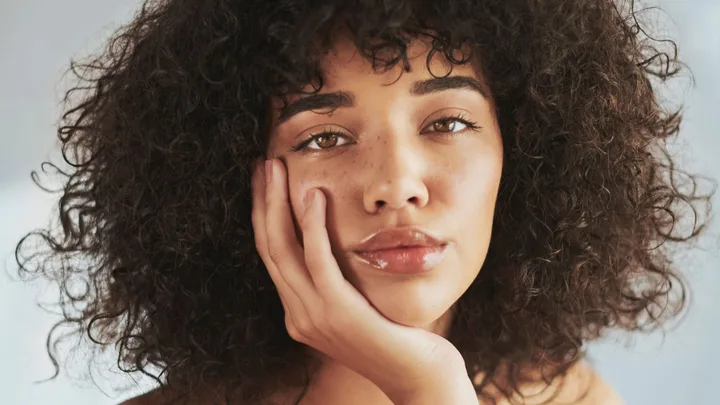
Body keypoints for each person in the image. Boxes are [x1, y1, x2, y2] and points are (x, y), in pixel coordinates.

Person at [14, 0, 714, 404]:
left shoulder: (572, 398)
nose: (397, 183)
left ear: (526, 154)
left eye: (447, 123)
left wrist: (433, 388)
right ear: (237, 178)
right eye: (324, 136)